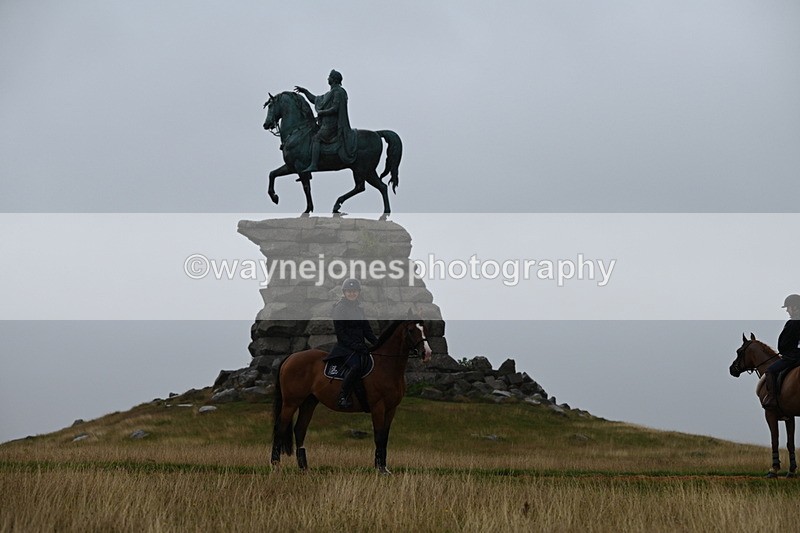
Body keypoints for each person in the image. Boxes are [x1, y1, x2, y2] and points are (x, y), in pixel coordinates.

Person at [324, 278, 378, 408]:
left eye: (354, 291)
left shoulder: (359, 309)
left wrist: (378, 343)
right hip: (345, 348)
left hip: (360, 347)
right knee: (356, 367)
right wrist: (356, 346)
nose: (352, 294)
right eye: (349, 291)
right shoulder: (339, 309)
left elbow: (367, 330)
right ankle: (343, 396)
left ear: (358, 292)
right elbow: (341, 334)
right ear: (344, 292)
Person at [294, 69, 355, 172]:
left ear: (334, 80)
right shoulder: (329, 93)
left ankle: (313, 164)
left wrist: (322, 112)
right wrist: (305, 91)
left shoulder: (339, 92)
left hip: (333, 125)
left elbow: (335, 108)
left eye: (329, 77)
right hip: (325, 125)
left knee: (316, 138)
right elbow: (315, 99)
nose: (328, 78)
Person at [762, 294, 800, 408]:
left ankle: (772, 399)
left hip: (792, 356)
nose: (787, 311)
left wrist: (785, 351)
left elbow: (785, 343)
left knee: (770, 370)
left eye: (788, 307)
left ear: (795, 307)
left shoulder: (793, 322)